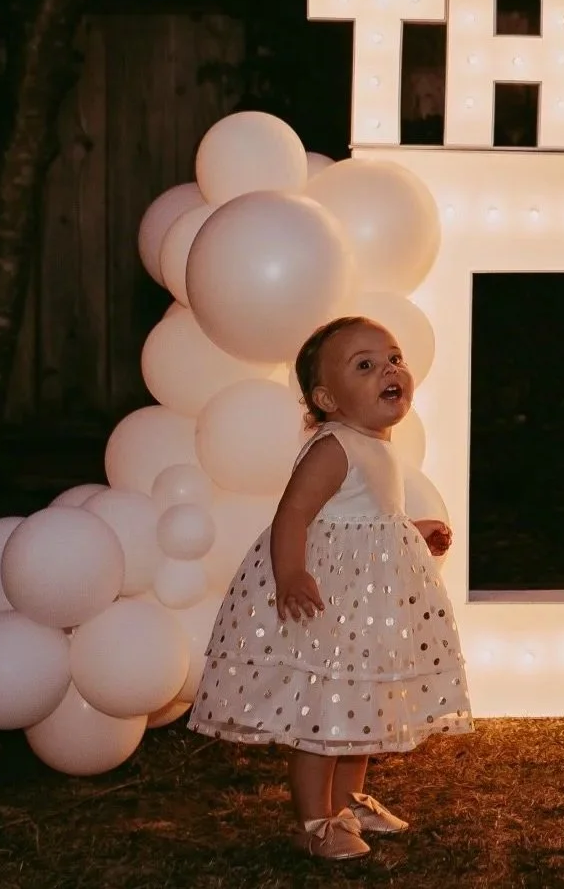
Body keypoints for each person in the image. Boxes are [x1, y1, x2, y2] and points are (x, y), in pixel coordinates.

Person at [189, 316, 472, 860]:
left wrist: (413, 532)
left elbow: (364, 522)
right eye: (364, 365)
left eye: (393, 358)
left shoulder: (378, 445)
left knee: (361, 701)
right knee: (324, 710)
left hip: (367, 605)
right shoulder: (334, 445)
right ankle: (315, 820)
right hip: (330, 604)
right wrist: (291, 574)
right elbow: (294, 515)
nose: (389, 369)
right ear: (328, 398)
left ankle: (349, 801)